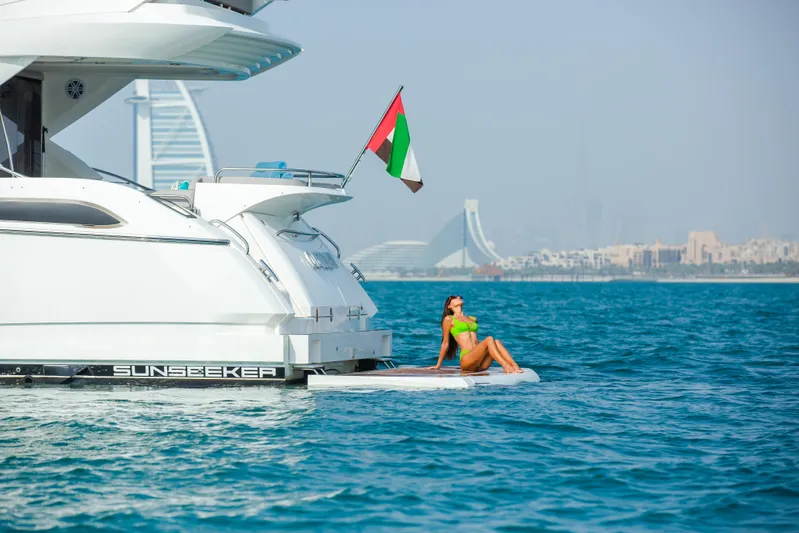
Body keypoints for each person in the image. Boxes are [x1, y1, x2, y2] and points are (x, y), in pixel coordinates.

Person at [429, 294, 523, 374]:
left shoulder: (472, 319)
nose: (458, 297)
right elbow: (445, 343)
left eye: (459, 296)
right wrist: (438, 365)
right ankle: (505, 366)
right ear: (449, 306)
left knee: (497, 341)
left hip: (480, 361)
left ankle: (514, 365)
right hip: (467, 360)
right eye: (454, 297)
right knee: (489, 339)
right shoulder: (449, 319)